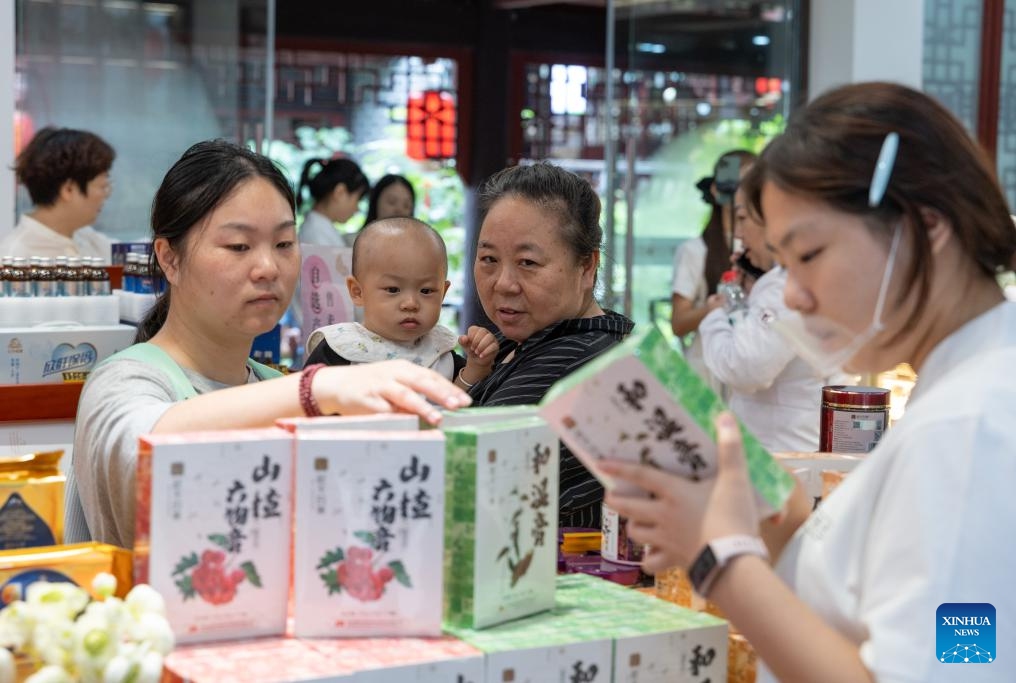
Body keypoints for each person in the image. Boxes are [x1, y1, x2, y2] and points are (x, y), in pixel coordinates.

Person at [602, 82, 1016, 683]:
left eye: (810, 254)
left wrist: (717, 559)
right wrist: (787, 522)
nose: (793, 295)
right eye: (783, 264)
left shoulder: (969, 425)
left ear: (925, 226)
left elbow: (955, 663)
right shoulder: (965, 391)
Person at [66, 141, 471, 549]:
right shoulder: (124, 380)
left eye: (283, 244)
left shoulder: (269, 383)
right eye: (239, 246)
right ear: (170, 259)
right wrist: (316, 389)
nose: (268, 268)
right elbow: (144, 449)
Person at [469, 162, 635, 528]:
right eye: (488, 260)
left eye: (528, 263)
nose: (503, 283)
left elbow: (457, 479)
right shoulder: (516, 341)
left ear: (586, 267)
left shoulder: (574, 364)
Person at [698, 167, 831, 453]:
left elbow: (744, 367)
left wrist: (714, 315)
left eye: (743, 218)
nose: (740, 235)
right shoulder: (780, 283)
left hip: (785, 456)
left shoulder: (785, 287)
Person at [304, 216, 498, 390]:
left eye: (426, 291)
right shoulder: (340, 349)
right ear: (357, 291)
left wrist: (475, 367)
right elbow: (306, 405)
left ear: (443, 293)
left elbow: (457, 403)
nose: (411, 304)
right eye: (393, 290)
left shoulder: (441, 352)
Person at [670, 150, 756, 393]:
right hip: (705, 379)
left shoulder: (766, 253)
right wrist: (715, 307)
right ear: (718, 190)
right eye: (741, 183)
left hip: (749, 375)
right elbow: (678, 323)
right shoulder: (695, 251)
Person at [1, 127, 115, 263]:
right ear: (68, 190)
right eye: (103, 186)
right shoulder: (14, 258)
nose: (106, 195)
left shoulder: (86, 238)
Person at [296, 156, 370, 247]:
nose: (357, 209)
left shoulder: (319, 229)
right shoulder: (317, 235)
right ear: (340, 192)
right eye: (358, 199)